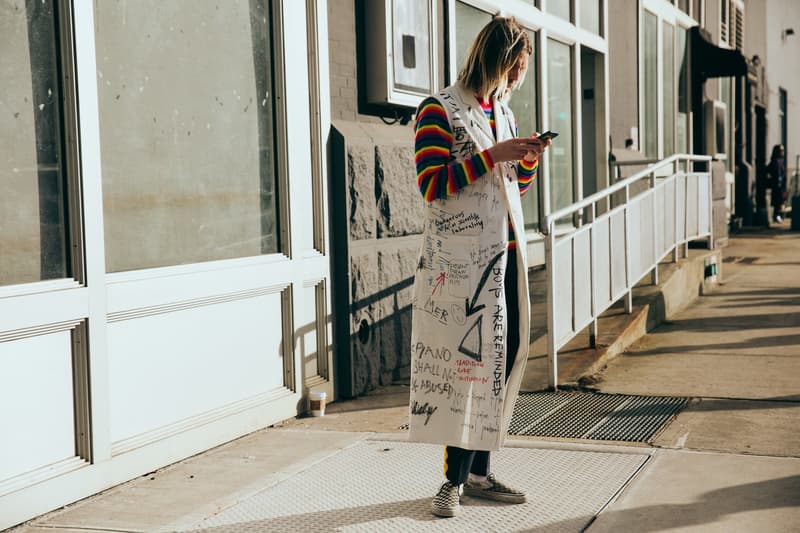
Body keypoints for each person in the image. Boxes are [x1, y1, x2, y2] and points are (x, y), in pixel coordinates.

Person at [408, 17, 551, 518]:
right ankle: (452, 481)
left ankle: (480, 470)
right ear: (496, 59)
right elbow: (431, 183)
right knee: (467, 368)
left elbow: (511, 191)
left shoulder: (503, 114)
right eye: (514, 69)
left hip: (507, 256)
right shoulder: (438, 109)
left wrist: (526, 158)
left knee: (502, 362)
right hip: (461, 264)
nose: (516, 80)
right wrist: (494, 155)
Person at [767, 144, 787, 223]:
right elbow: (769, 170)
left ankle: (778, 215)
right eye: (781, 151)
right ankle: (776, 215)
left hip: (781, 185)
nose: (782, 152)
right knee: (777, 201)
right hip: (776, 185)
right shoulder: (774, 161)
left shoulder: (781, 161)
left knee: (781, 201)